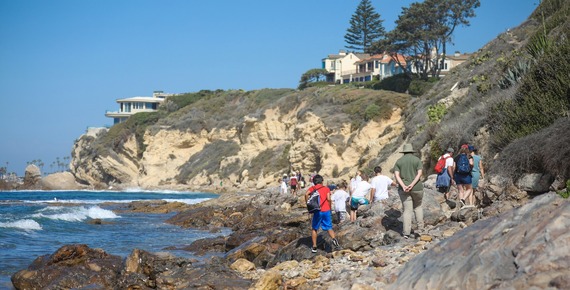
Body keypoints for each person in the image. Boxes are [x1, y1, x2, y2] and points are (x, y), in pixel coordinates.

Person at [393, 143, 424, 239]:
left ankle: (406, 233)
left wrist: (404, 186)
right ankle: (421, 229)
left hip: (404, 189)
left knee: (407, 210)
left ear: (404, 152)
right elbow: (419, 173)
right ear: (411, 151)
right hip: (417, 188)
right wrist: (412, 184)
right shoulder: (417, 160)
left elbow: (396, 175)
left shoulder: (399, 161)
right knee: (418, 207)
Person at [304, 174, 341, 253]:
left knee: (315, 228)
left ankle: (314, 247)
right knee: (329, 227)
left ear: (314, 182)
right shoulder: (326, 188)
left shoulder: (312, 188)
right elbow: (328, 199)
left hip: (317, 210)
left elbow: (306, 194)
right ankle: (335, 241)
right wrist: (329, 207)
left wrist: (308, 204)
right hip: (326, 210)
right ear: (322, 181)